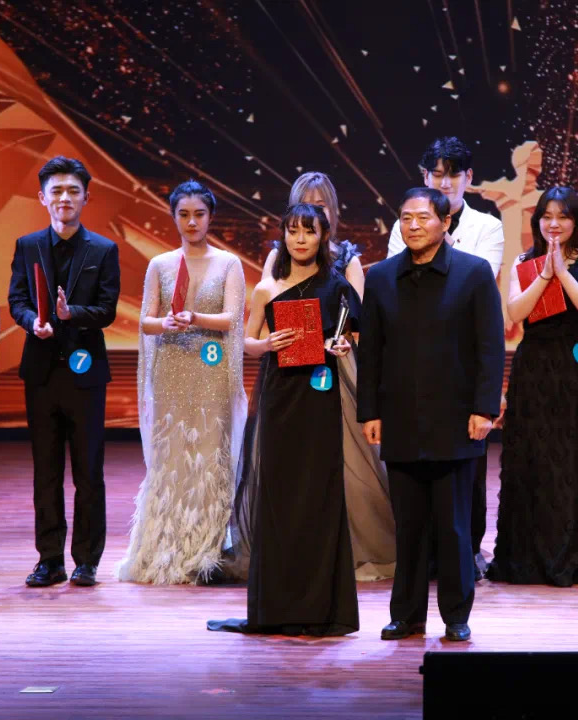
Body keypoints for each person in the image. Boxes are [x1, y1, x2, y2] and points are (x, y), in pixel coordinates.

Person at [359, 187, 504, 642]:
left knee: (454, 526)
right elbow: (372, 352)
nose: (414, 226)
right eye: (406, 218)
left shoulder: (473, 273)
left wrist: (484, 408)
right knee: (409, 527)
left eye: (423, 217)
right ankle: (406, 615)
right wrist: (370, 411)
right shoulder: (381, 277)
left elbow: (490, 346)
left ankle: (456, 616)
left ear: (445, 222)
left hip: (456, 421)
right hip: (400, 418)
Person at [209, 203, 359, 636]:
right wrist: (268, 344)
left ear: (323, 236)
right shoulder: (267, 288)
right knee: (278, 496)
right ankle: (275, 608)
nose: (300, 239)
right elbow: (245, 343)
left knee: (319, 495)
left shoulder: (336, 286)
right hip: (279, 399)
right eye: (292, 231)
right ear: (283, 236)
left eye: (309, 231)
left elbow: (352, 334)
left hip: (319, 398)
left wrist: (343, 346)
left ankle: (322, 609)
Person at [256, 172, 395, 581]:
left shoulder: (347, 257)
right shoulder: (277, 257)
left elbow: (359, 319)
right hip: (286, 370)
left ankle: (347, 547)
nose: (311, 215)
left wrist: (345, 343)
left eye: (320, 206)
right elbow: (265, 314)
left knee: (345, 459)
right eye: (304, 205)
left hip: (335, 368)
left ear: (331, 212)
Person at [115, 181, 247, 584]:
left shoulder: (229, 263)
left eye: (199, 214)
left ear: (211, 217)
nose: (192, 222)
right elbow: (146, 321)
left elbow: (232, 318)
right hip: (171, 368)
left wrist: (195, 318)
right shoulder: (160, 264)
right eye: (184, 215)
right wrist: (167, 324)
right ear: (173, 217)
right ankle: (164, 548)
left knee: (209, 453)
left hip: (211, 368)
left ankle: (205, 551)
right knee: (172, 457)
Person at [387, 137, 504, 578]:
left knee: (467, 467)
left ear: (468, 178)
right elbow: (392, 282)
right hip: (414, 361)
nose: (444, 182)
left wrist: (441, 240)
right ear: (424, 176)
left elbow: (482, 279)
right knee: (415, 465)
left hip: (462, 362)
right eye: (436, 174)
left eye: (453, 174)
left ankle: (468, 553)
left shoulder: (487, 226)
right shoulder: (404, 224)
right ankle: (423, 557)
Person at [486, 187, 578, 586]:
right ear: (537, 220)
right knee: (536, 459)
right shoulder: (524, 262)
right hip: (536, 369)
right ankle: (530, 557)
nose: (554, 224)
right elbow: (516, 311)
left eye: (563, 216)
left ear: (577, 222)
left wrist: (563, 273)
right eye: (547, 216)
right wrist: (545, 273)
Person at [9, 156, 121, 587]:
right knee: (46, 470)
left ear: (86, 197)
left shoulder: (103, 250)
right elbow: (17, 299)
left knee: (89, 471)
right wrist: (31, 322)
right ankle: (50, 559)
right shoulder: (27, 245)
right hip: (41, 373)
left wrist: (70, 313)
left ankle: (87, 560)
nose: (64, 198)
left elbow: (107, 310)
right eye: (56, 190)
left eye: (73, 190)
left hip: (85, 372)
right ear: (42, 198)